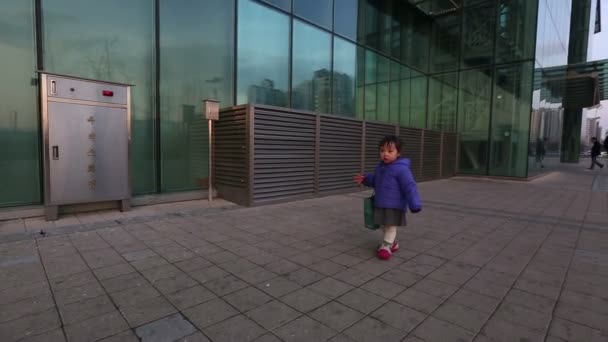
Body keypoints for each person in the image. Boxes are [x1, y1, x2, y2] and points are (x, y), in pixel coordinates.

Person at [354, 135, 421, 260]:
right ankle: (392, 243)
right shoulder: (381, 168)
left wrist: (415, 204)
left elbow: (409, 186)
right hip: (381, 203)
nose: (385, 154)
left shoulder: (402, 169)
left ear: (398, 153)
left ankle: (386, 247)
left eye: (390, 151)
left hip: (394, 205)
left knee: (390, 226)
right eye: (382, 150)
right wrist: (365, 179)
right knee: (384, 225)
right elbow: (375, 179)